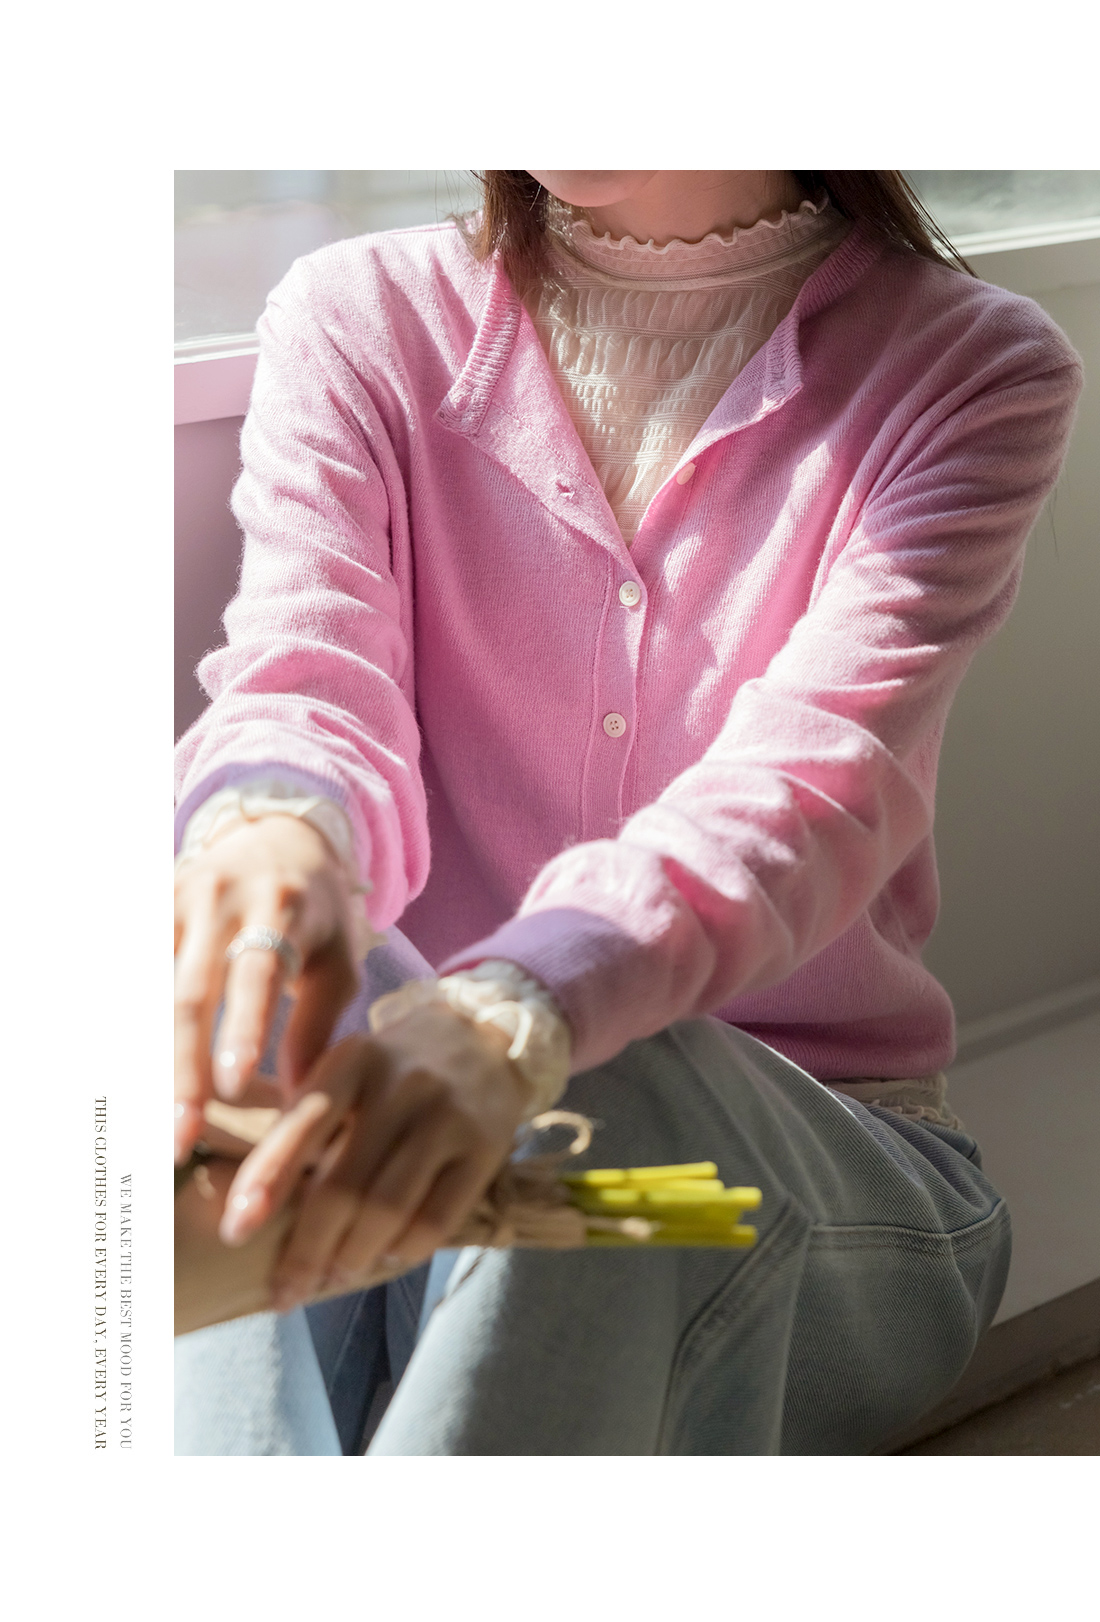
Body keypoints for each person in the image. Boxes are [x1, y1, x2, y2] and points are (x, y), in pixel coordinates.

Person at [173, 169, 1083, 1455]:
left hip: (805, 1186)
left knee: (598, 1079)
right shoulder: (358, 313)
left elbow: (809, 788)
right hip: (407, 1180)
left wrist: (519, 1009)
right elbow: (307, 681)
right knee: (234, 987)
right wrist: (272, 830)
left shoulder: (967, 367)